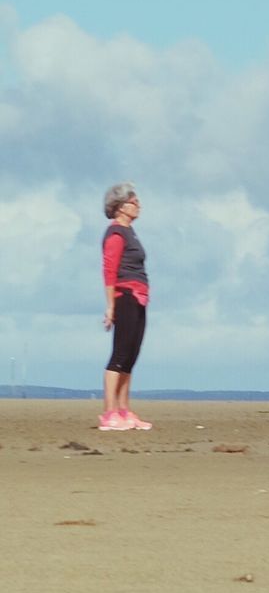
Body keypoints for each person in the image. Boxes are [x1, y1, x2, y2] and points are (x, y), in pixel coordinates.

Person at [99, 184, 152, 430]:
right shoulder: (116, 233)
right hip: (125, 295)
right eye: (134, 201)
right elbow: (109, 271)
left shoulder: (131, 232)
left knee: (131, 356)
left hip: (140, 296)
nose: (138, 205)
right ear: (121, 207)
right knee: (119, 356)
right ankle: (109, 414)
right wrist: (111, 307)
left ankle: (124, 410)